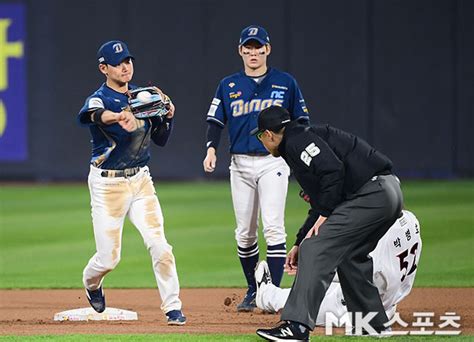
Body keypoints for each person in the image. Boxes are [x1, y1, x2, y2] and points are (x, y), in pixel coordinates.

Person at [253, 106, 403, 340]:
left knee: (314, 249)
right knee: (349, 256)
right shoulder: (301, 137)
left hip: (371, 193)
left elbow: (333, 171)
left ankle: (296, 327)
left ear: (268, 135)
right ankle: (372, 326)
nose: (261, 141)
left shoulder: (296, 141)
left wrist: (321, 219)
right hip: (388, 191)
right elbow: (321, 200)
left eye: (260, 136)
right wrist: (299, 241)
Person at [77, 40, 186, 325]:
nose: (125, 66)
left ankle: (173, 307)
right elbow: (88, 115)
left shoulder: (144, 96)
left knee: (160, 245)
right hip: (107, 185)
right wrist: (117, 116)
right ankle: (91, 284)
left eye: (128, 60)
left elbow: (161, 139)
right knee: (108, 260)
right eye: (117, 63)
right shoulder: (100, 98)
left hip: (140, 181)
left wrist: (168, 116)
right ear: (104, 68)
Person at [202, 25, 310, 312]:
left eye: (258, 47)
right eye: (247, 48)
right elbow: (215, 121)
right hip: (239, 164)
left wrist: (297, 155)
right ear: (240, 51)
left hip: (274, 162)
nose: (253, 52)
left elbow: (301, 121)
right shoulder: (228, 84)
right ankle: (254, 289)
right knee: (245, 233)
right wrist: (211, 148)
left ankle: (272, 293)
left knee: (273, 227)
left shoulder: (285, 82)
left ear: (267, 49)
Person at [255, 210, 422, 326]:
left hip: (360, 310)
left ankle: (266, 295)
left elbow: (362, 275)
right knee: (333, 286)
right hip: (389, 302)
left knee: (308, 300)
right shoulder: (410, 220)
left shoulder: (380, 237)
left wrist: (314, 269)